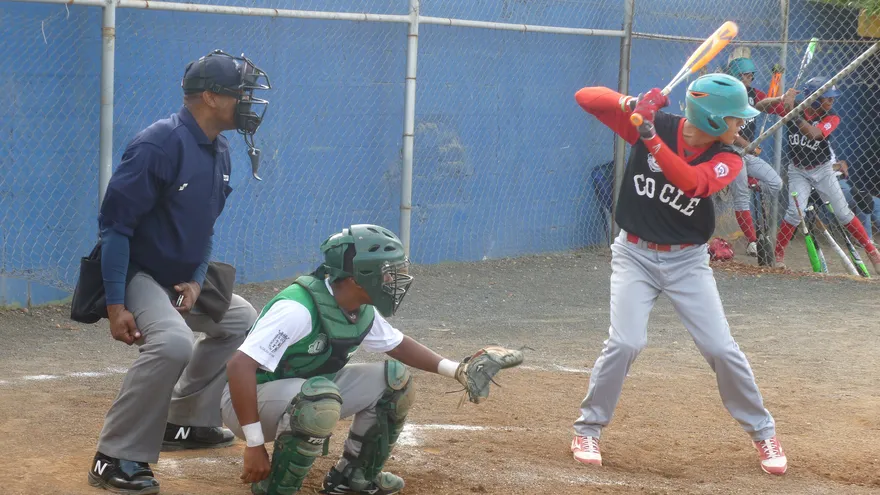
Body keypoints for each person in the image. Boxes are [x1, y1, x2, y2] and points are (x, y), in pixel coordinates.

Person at [569, 74, 787, 475]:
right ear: (714, 118)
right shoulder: (656, 124)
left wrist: (649, 137)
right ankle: (588, 429)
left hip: (687, 263)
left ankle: (763, 433)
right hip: (634, 254)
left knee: (721, 349)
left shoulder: (728, 156)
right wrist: (630, 104)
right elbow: (585, 97)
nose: (741, 126)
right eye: (736, 119)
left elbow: (692, 184)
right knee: (625, 342)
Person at [87, 50, 271, 494]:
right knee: (171, 343)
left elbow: (204, 229)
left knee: (244, 321)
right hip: (134, 271)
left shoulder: (219, 149)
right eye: (240, 93)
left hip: (178, 275)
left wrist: (196, 277)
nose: (248, 102)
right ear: (209, 97)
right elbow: (114, 229)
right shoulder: (159, 144)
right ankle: (114, 456)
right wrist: (115, 304)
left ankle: (184, 420)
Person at [222, 224, 522, 495]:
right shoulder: (297, 309)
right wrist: (254, 443)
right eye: (386, 271)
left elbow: (398, 345)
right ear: (358, 277)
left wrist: (458, 370)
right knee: (318, 400)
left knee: (395, 381)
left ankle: (354, 477)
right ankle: (275, 489)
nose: (393, 278)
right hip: (249, 402)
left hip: (303, 392)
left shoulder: (357, 305)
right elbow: (239, 366)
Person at [756, 76, 880, 273]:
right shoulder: (794, 106)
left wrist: (792, 113)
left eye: (832, 98)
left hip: (823, 170)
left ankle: (872, 252)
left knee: (843, 213)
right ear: (814, 98)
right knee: (794, 214)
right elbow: (760, 106)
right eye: (827, 98)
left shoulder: (831, 116)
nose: (831, 101)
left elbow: (815, 134)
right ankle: (778, 254)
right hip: (798, 170)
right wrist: (781, 99)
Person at [726, 57, 784, 257]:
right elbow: (728, 132)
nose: (750, 77)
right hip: (730, 152)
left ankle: (753, 184)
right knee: (741, 197)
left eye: (751, 75)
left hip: (747, 154)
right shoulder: (727, 97)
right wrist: (747, 146)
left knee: (776, 183)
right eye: (745, 75)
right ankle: (752, 241)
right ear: (735, 76)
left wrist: (783, 101)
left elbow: (774, 107)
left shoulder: (754, 95)